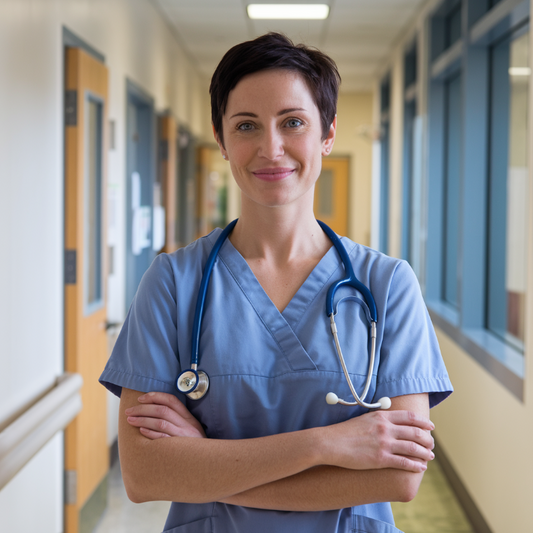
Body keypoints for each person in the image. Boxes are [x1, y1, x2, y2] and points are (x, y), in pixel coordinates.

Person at [99, 33, 453, 533]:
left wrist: (203, 462)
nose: (271, 147)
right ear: (221, 140)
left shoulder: (388, 284)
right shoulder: (173, 282)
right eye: (246, 125)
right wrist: (328, 445)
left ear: (327, 134)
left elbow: (397, 478)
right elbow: (145, 474)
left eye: (293, 122)